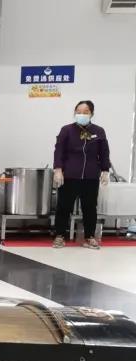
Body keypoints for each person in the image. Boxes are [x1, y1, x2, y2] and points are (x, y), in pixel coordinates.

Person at [53, 99, 111, 249]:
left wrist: (105, 170)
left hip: (91, 176)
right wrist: (58, 169)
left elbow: (104, 152)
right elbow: (59, 150)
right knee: (64, 207)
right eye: (78, 112)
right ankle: (59, 236)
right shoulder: (66, 130)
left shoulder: (99, 131)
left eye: (85, 112)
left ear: (92, 113)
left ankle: (89, 237)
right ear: (74, 113)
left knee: (90, 207)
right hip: (69, 175)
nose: (82, 114)